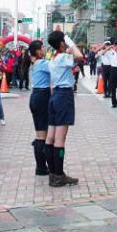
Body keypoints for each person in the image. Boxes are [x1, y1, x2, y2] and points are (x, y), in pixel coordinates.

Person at [45, 31, 83, 187]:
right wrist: (70, 42)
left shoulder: (53, 57)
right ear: (62, 42)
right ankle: (59, 175)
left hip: (55, 96)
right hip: (64, 96)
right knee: (60, 139)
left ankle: (53, 174)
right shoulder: (63, 57)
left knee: (50, 137)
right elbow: (79, 56)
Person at [27, 40, 50, 176]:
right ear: (37, 51)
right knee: (41, 135)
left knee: (41, 134)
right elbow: (56, 67)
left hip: (37, 96)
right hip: (42, 97)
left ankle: (41, 166)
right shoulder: (41, 63)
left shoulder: (34, 62)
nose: (45, 49)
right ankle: (41, 168)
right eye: (42, 47)